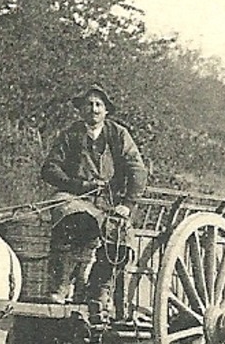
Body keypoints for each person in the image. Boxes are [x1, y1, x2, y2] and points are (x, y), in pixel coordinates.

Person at [40, 84, 149, 326]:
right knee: (66, 211)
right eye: (88, 104)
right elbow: (49, 169)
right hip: (76, 197)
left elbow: (137, 170)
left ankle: (99, 292)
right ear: (80, 110)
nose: (93, 109)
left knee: (119, 235)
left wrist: (128, 204)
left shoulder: (118, 135)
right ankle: (61, 284)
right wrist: (76, 184)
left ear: (106, 111)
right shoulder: (70, 135)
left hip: (110, 202)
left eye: (98, 104)